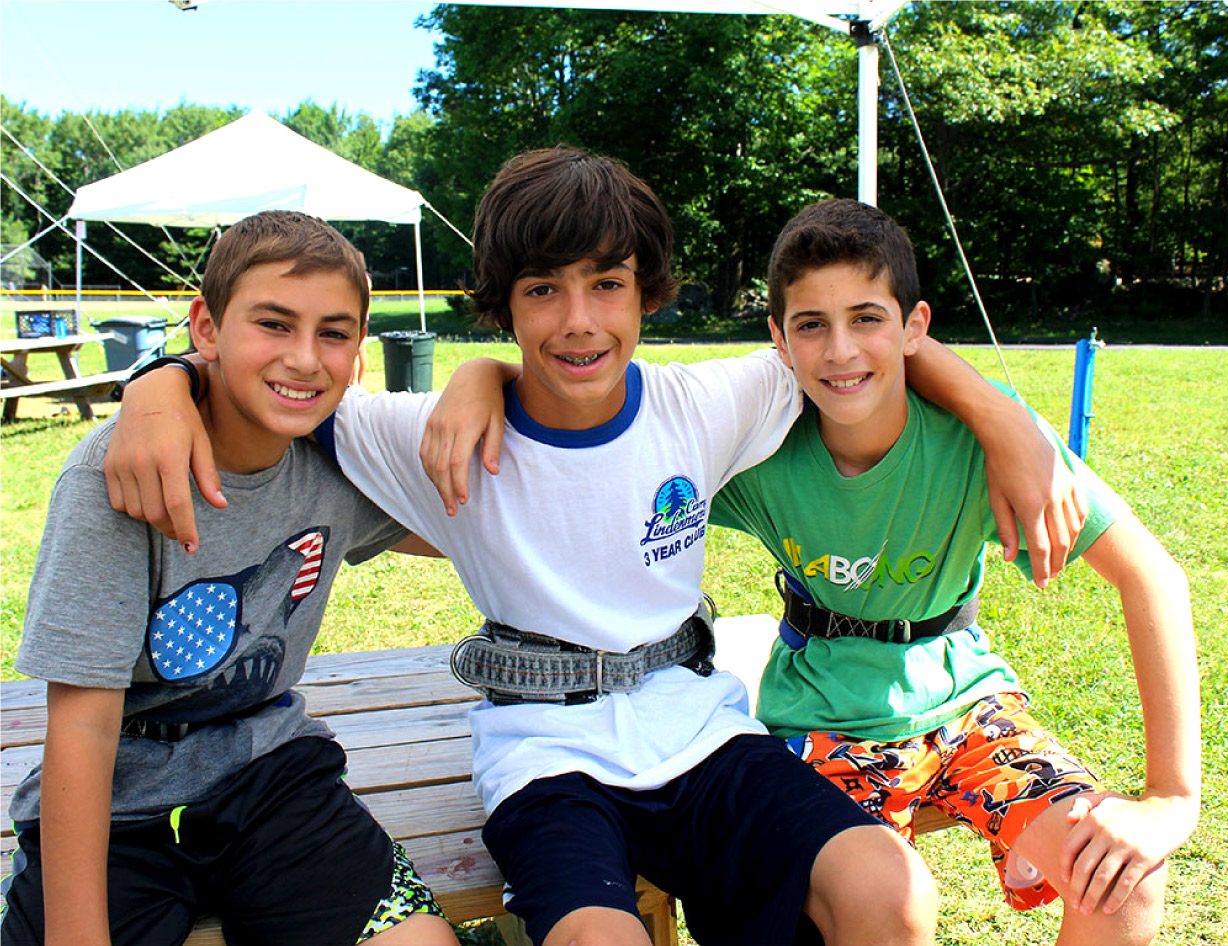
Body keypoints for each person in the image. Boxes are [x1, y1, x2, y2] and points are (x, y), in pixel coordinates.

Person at [99, 149, 1085, 946]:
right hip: (544, 753)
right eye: (541, 290)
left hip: (698, 730)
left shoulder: (708, 404)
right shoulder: (426, 434)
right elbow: (271, 374)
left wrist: (998, 420)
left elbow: (864, 344)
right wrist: (155, 386)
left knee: (889, 892)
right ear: (501, 302)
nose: (577, 321)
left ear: (645, 294)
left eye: (606, 285)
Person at [706, 198, 1200, 944]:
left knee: (1122, 883)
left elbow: (1152, 575)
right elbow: (619, 437)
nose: (840, 349)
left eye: (868, 318)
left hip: (968, 708)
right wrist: (485, 378)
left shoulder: (988, 445)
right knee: (881, 903)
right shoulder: (758, 451)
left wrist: (1170, 798)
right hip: (818, 726)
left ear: (915, 326)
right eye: (811, 325)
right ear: (779, 339)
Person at [0, 211, 456, 946]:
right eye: (274, 324)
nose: (306, 359)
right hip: (120, 805)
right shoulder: (119, 472)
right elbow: (82, 726)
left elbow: (484, 530)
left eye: (334, 333)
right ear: (206, 329)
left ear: (359, 352)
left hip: (270, 776)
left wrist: (488, 383)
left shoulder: (341, 463)